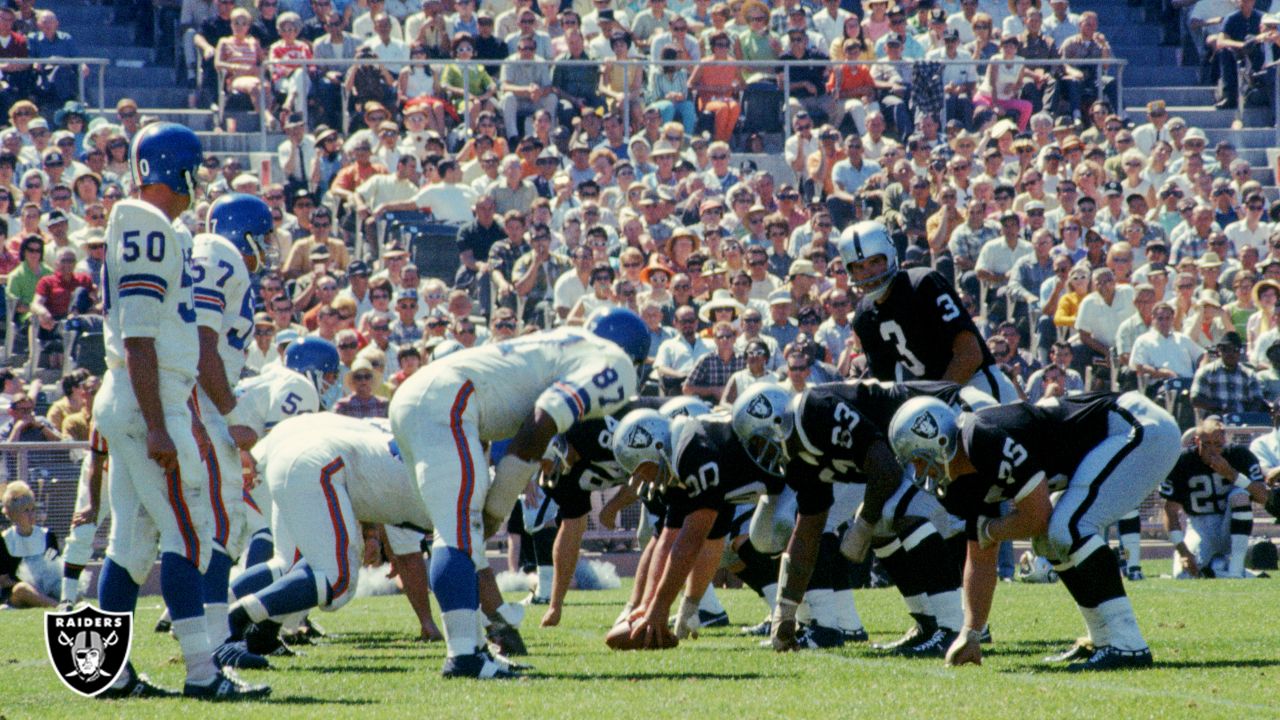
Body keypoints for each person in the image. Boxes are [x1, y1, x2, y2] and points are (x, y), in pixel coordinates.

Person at [93, 122, 267, 699]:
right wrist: (162, 425)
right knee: (189, 534)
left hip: (140, 397)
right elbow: (141, 340)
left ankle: (109, 672)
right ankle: (202, 673)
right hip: (151, 400)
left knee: (131, 544)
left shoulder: (159, 229)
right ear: (180, 170)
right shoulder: (147, 226)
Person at [388, 307, 645, 678]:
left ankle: (475, 647)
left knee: (462, 533)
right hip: (449, 402)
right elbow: (538, 425)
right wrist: (497, 507)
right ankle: (464, 656)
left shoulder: (569, 342)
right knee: (458, 533)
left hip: (427, 396)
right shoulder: (614, 361)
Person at [888, 390, 1181, 671]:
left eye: (918, 458)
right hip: (1119, 437)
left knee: (1069, 527)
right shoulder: (960, 480)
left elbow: (1036, 517)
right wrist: (971, 633)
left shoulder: (981, 437)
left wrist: (991, 529)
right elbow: (980, 556)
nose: (919, 470)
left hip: (1139, 427)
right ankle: (1102, 639)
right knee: (1050, 541)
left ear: (938, 439)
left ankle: (1128, 644)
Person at [738, 381, 996, 656]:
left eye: (757, 440)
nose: (758, 452)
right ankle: (929, 623)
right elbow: (807, 530)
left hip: (948, 419)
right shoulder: (799, 458)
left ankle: (954, 626)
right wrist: (785, 610)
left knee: (896, 512)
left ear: (776, 421)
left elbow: (885, 469)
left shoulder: (816, 411)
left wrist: (862, 523)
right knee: (884, 521)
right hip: (914, 445)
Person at [226, 412, 442, 652]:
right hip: (311, 464)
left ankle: (239, 625)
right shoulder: (427, 480)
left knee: (287, 564)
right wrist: (428, 623)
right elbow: (407, 556)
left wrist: (372, 535)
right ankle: (238, 617)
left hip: (288, 454)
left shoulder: (391, 435)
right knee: (337, 578)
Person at [191, 193, 274, 669]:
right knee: (222, 523)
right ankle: (217, 639)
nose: (265, 246)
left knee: (144, 538)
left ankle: (203, 643)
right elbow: (203, 346)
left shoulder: (217, 258)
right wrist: (229, 413)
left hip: (195, 401)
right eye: (260, 235)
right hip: (200, 403)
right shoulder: (219, 253)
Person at [843, 220, 1019, 402]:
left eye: (875, 262)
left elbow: (970, 355)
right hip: (932, 394)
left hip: (978, 384)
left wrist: (936, 401)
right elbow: (886, 382)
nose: (869, 273)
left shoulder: (924, 284)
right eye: (859, 267)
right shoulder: (864, 317)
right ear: (850, 271)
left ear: (889, 256)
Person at [1160, 416, 1270, 579]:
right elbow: (1170, 509)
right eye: (1207, 444)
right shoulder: (1182, 461)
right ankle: (1234, 573)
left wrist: (1232, 474)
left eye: (1217, 445)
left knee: (1239, 495)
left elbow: (1264, 497)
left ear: (1225, 441)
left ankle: (1235, 568)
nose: (1212, 450)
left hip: (1231, 524)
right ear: (1197, 441)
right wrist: (1182, 551)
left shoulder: (1239, 455)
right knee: (1183, 575)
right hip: (1200, 526)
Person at [0, 481, 60, 608]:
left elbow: (53, 565)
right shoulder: (4, 540)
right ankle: (60, 608)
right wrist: (30, 585)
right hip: (16, 594)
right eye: (26, 511)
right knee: (22, 589)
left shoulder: (48, 536)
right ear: (13, 513)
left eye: (33, 509)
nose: (32, 514)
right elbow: (3, 581)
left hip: (47, 587)